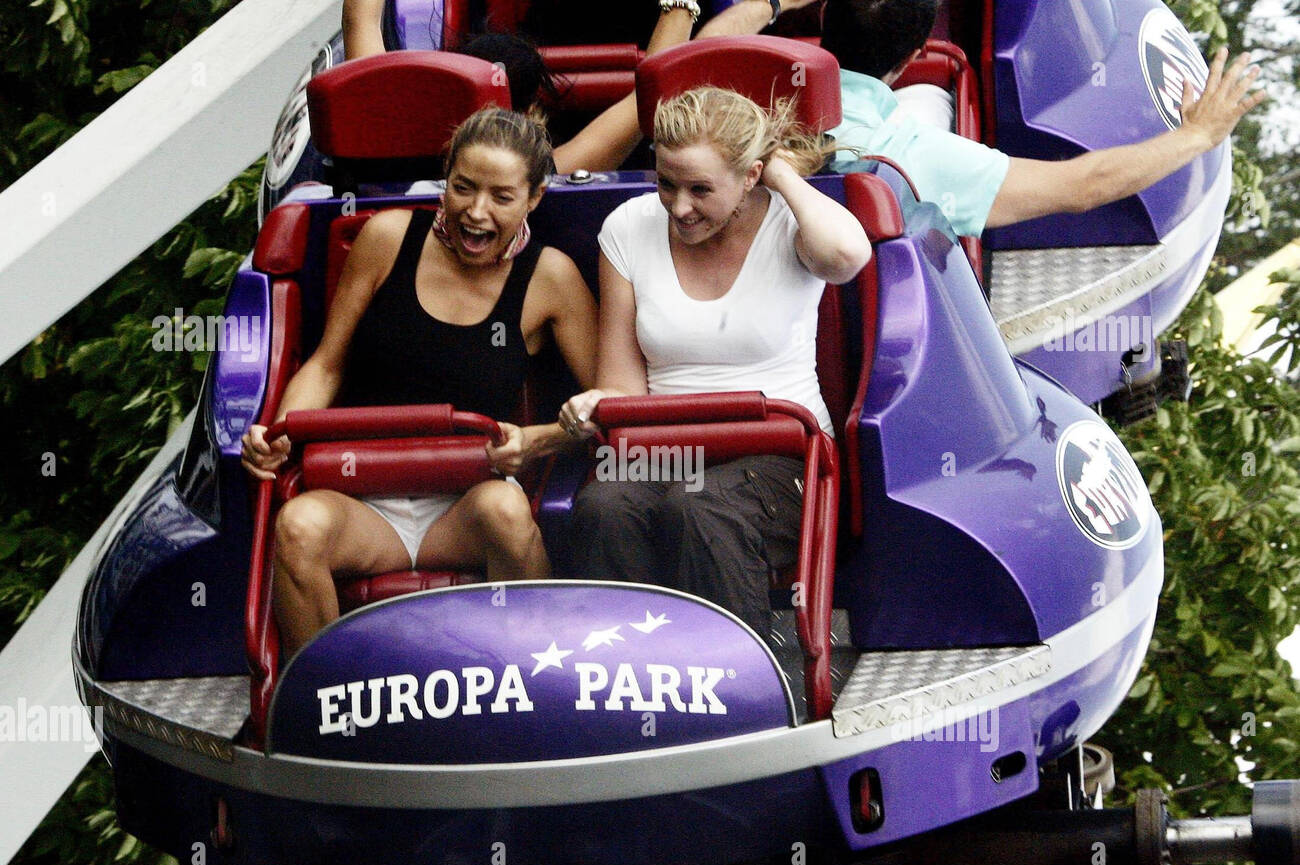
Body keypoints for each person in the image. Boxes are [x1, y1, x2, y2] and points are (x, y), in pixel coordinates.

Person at [241, 108, 598, 656]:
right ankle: (323, 710)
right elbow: (327, 364)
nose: (476, 212)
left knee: (505, 512)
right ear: (444, 181)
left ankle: (535, 684)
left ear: (534, 198)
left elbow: (607, 407)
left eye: (502, 197)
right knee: (299, 524)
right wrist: (279, 432)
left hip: (464, 505)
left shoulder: (550, 278)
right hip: (363, 499)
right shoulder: (387, 237)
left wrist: (537, 439)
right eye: (463, 188)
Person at [559, 87, 870, 636]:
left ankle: (738, 683)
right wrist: (593, 404)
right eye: (666, 184)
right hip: (666, 447)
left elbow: (846, 257)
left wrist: (780, 174)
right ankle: (626, 678)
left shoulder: (789, 222)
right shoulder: (629, 227)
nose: (680, 207)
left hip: (781, 453)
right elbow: (621, 387)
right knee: (603, 507)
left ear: (751, 177)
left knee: (699, 509)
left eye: (701, 189)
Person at [816, 0, 1268, 236]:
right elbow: (1084, 185)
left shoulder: (746, 87)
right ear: (915, 56)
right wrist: (1198, 135)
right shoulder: (907, 158)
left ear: (821, 15)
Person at [341, 0, 821, 173]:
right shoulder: (535, 174)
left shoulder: (392, 160)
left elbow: (362, 31)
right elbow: (653, 92)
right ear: (532, 117)